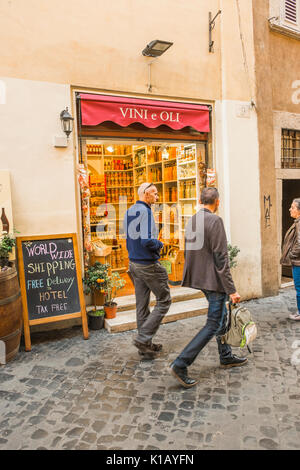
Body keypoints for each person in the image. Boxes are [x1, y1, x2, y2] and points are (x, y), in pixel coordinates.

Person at [170, 187, 247, 388]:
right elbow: (221, 257)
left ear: (200, 200)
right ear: (217, 202)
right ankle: (181, 363)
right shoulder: (215, 221)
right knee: (213, 324)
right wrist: (231, 289)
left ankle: (226, 355)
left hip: (200, 278)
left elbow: (191, 251)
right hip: (214, 281)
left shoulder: (192, 220)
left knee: (221, 317)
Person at [124, 182, 172, 359]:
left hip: (134, 263)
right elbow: (146, 240)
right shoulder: (146, 212)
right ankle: (143, 338)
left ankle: (146, 347)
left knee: (142, 305)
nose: (157, 197)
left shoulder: (129, 211)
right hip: (147, 264)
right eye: (155, 194)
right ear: (145, 194)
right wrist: (160, 244)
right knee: (164, 300)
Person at [280, 198, 300, 321]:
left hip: (298, 262)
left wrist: (292, 254)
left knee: (299, 288)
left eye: (292, 207)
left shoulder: (299, 223)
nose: (290, 209)